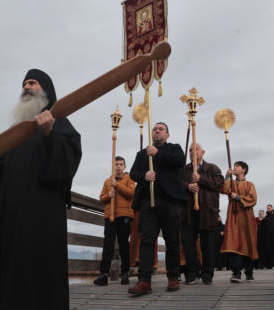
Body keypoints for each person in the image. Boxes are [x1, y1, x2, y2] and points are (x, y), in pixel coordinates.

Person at [0, 69, 82, 310]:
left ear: (46, 90)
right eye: (24, 83)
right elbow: (2, 165)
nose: (26, 87)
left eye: (33, 83)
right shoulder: (13, 132)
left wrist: (49, 135)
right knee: (7, 274)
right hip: (9, 219)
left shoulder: (59, 122)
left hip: (40, 218)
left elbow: (67, 165)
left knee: (36, 277)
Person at [128, 122, 186, 296]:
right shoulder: (142, 154)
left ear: (167, 135)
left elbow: (180, 161)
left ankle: (173, 277)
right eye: (155, 129)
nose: (157, 131)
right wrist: (144, 176)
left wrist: (158, 153)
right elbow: (133, 173)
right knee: (146, 240)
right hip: (148, 202)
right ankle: (144, 281)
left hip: (170, 201)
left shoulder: (174, 148)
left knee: (172, 241)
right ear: (151, 133)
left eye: (161, 129)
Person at [180, 143, 224, 285]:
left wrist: (201, 179)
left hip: (208, 212)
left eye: (196, 149)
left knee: (208, 245)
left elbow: (219, 183)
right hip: (188, 212)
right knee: (188, 244)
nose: (193, 152)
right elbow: (176, 183)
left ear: (203, 152)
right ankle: (192, 273)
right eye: (190, 150)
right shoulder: (184, 170)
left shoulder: (212, 168)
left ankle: (207, 274)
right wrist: (187, 186)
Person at [94, 156, 135, 286]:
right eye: (116, 164)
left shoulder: (129, 179)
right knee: (108, 244)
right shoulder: (107, 181)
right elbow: (102, 198)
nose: (118, 166)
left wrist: (117, 186)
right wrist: (108, 195)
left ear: (125, 166)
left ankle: (125, 273)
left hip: (124, 215)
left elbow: (131, 194)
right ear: (113, 166)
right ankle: (103, 274)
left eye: (121, 164)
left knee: (123, 245)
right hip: (110, 215)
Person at [221, 161, 258, 282]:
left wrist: (237, 197)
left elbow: (253, 199)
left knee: (247, 241)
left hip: (247, 217)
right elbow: (222, 189)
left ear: (244, 170)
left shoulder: (249, 184)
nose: (234, 168)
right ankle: (236, 273)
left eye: (237, 166)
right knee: (233, 242)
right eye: (234, 166)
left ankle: (249, 272)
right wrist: (227, 176)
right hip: (233, 216)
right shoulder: (231, 182)